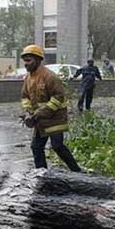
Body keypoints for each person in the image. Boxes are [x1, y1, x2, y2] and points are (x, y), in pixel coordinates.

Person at [20, 44, 81, 172]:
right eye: (24, 61)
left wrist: (38, 113)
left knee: (57, 146)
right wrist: (27, 112)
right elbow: (25, 97)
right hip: (40, 120)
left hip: (55, 120)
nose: (26, 64)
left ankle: (77, 171)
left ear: (38, 60)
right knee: (36, 147)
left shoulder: (50, 77)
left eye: (28, 60)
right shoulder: (28, 78)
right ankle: (41, 175)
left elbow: (58, 97)